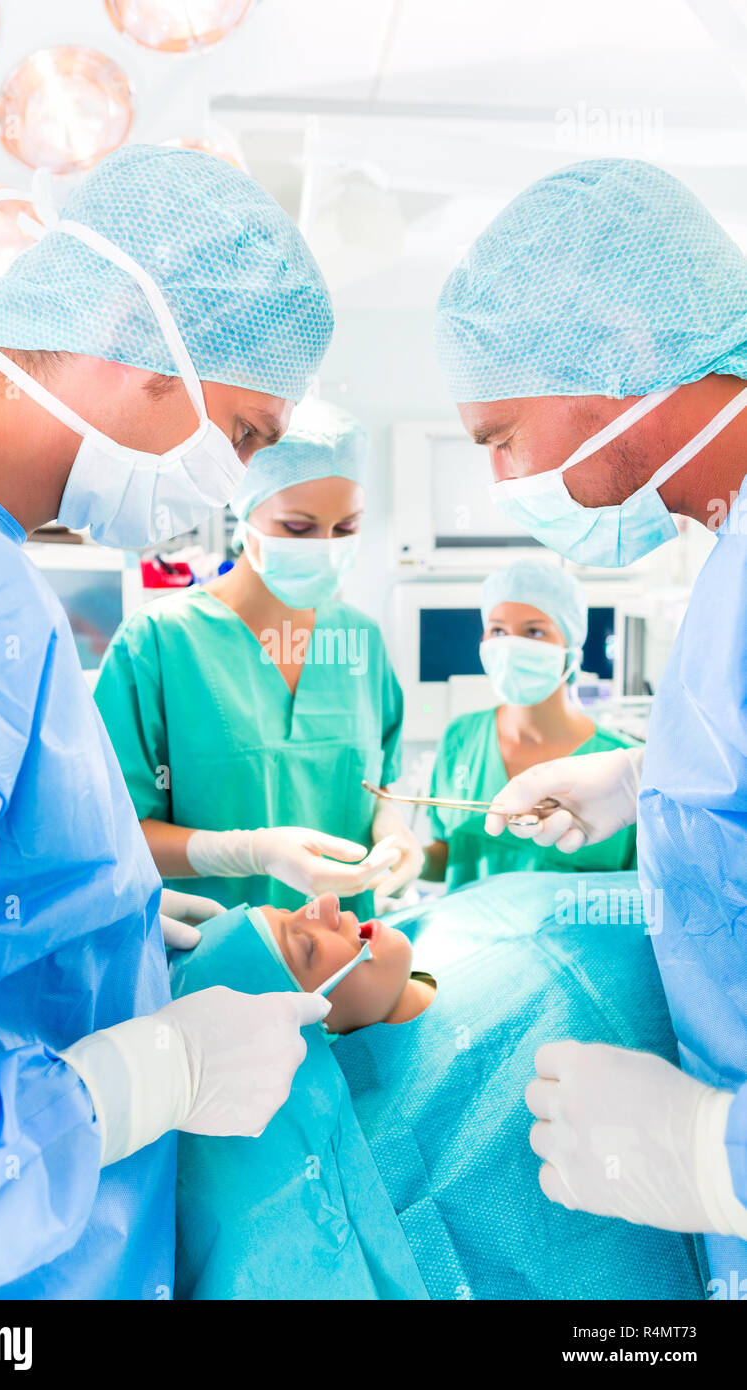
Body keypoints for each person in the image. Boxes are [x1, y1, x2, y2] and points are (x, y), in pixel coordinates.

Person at [0, 144, 336, 1299]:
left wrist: (107, 919)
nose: (231, 488)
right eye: (240, 433)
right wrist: (135, 1082)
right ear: (133, 336)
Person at [433, 157, 747, 1272]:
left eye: (498, 435)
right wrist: (643, 779)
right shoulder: (723, 553)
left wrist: (720, 1156)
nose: (503, 476)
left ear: (616, 354)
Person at [169, 883, 706, 1300]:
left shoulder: (445, 921)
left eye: (292, 911)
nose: (326, 903)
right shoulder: (417, 1159)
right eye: (307, 948)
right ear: (305, 1043)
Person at [94, 397, 424, 918]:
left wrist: (391, 823)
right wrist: (249, 853)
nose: (326, 547)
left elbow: (378, 781)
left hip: (349, 961)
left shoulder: (359, 639)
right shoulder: (159, 643)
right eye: (298, 527)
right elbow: (113, 836)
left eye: (346, 529)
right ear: (246, 513)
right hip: (214, 965)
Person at [422, 559, 637, 889]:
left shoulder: (623, 771)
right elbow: (450, 853)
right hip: (466, 939)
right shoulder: (460, 737)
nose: (510, 646)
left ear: (571, 648)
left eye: (535, 631)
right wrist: (406, 860)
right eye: (497, 630)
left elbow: (644, 894)